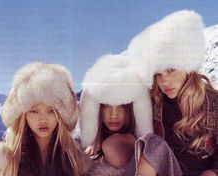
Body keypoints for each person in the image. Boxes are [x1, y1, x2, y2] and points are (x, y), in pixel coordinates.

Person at [127, 10, 218, 176]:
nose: (164, 82)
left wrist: (212, 172)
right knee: (152, 142)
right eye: (158, 74)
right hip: (171, 171)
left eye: (170, 70)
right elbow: (117, 110)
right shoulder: (156, 103)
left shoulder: (214, 102)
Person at [0, 62, 92, 176]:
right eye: (34, 111)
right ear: (23, 115)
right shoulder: (4, 161)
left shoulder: (77, 162)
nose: (43, 119)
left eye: (51, 111)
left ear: (60, 116)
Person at [79, 54, 153, 175]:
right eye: (107, 105)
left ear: (132, 109)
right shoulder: (92, 146)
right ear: (96, 108)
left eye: (121, 106)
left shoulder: (115, 144)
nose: (114, 115)